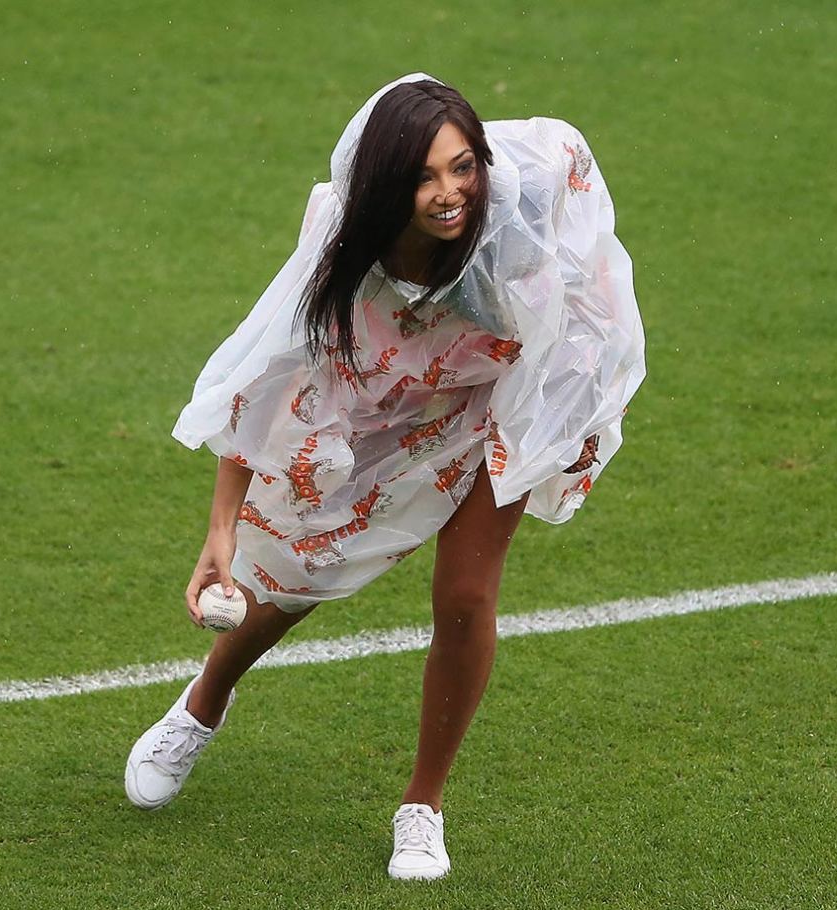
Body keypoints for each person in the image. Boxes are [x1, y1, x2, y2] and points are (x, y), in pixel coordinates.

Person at [124, 72, 645, 881]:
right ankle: (204, 701)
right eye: (424, 176)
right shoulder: (341, 250)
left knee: (466, 596)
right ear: (382, 184)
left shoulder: (523, 207)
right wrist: (223, 528)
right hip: (402, 385)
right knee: (300, 560)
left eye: (463, 166)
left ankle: (423, 806)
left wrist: (561, 422)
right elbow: (267, 378)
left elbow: (589, 309)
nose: (449, 194)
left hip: (513, 388)